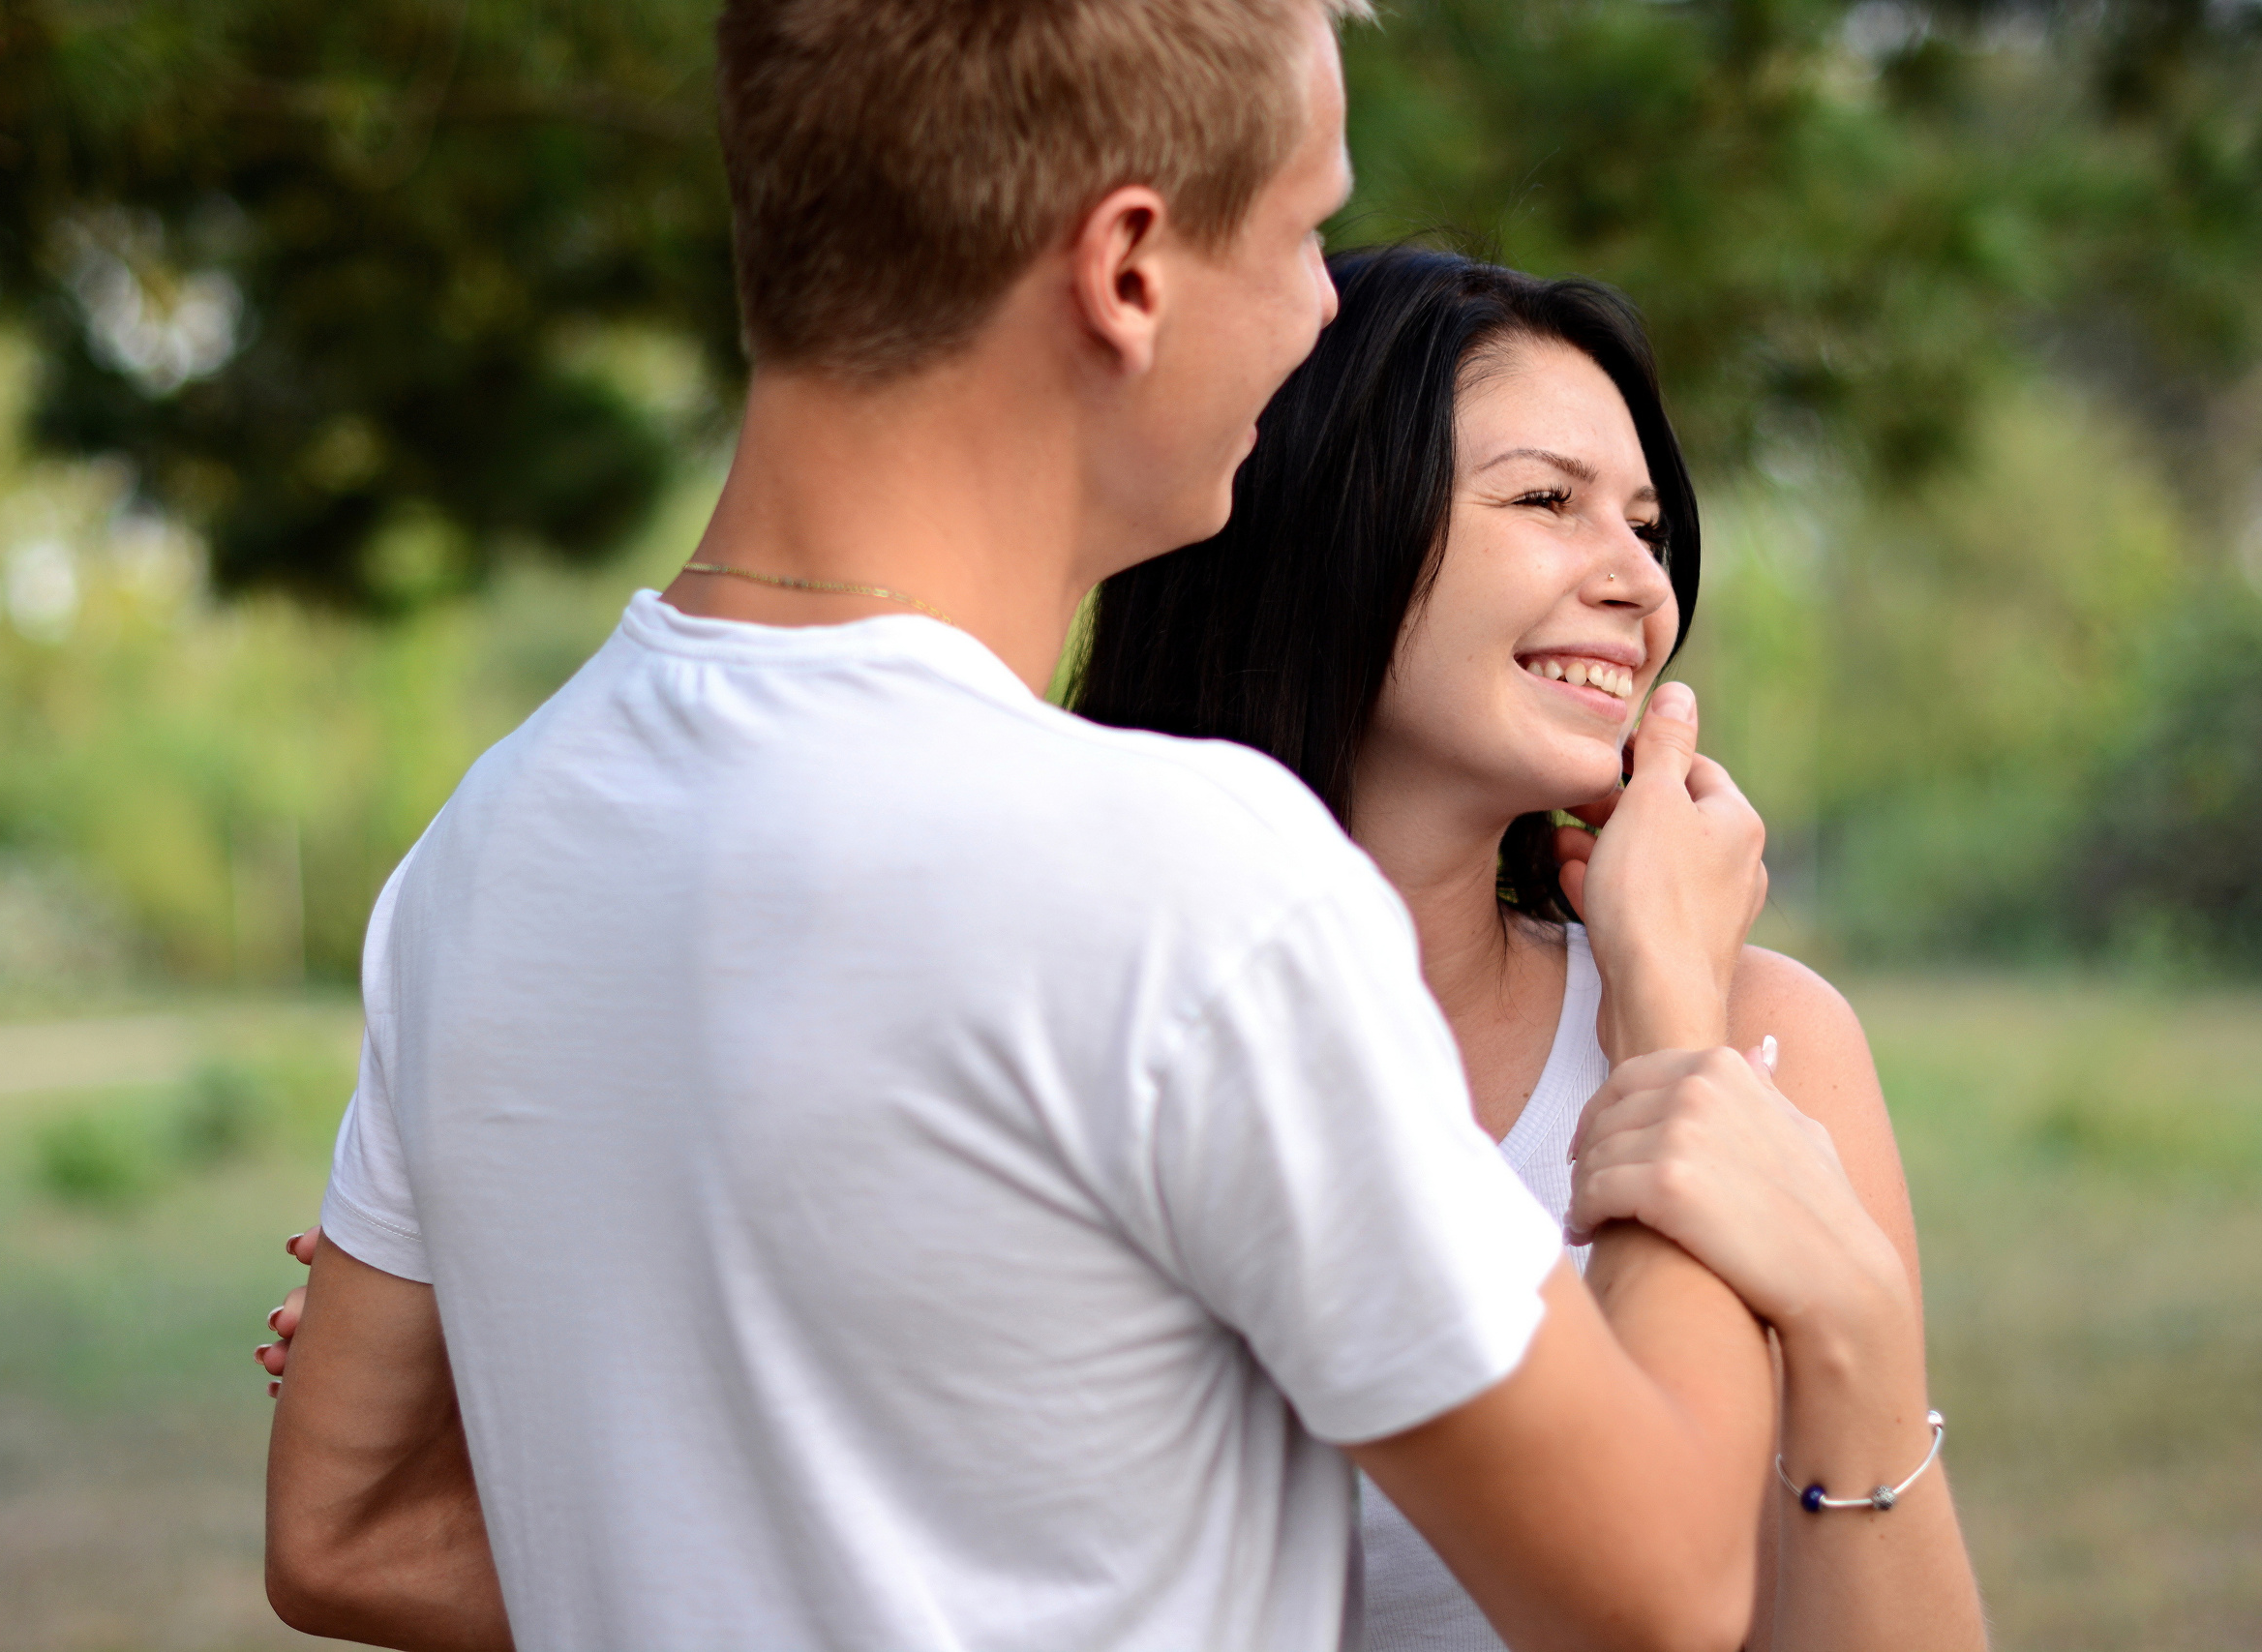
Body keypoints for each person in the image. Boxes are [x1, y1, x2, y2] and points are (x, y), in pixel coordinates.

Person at [260, 4, 1783, 1649]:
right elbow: (1665, 1588)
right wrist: (1677, 1022)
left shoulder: (487, 848)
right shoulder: (1188, 883)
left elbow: (350, 1532)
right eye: (1301, 232)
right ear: (1129, 270)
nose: (1320, 309)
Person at [1071, 245, 1986, 1649]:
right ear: (1319, 531)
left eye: (1647, 525)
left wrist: (1852, 1324)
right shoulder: (1078, 1004)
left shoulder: (1776, 1039)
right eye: (1547, 502)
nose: (1639, 584)